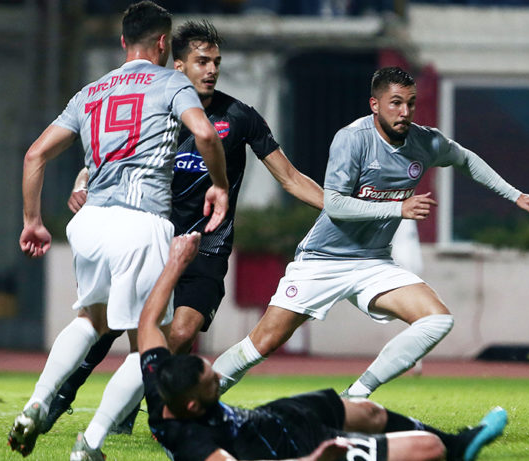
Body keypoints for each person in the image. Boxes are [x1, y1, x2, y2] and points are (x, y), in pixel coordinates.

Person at [41, 19, 323, 435]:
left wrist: (339, 206)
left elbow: (291, 178)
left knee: (182, 331)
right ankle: (63, 394)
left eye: (216, 62)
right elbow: (106, 158)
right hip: (152, 237)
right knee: (109, 324)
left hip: (207, 246)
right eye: (202, 61)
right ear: (178, 66)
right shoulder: (157, 109)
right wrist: (82, 182)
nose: (211, 70)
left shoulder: (239, 116)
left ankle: (129, 406)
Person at [212, 66, 529, 398]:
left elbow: (465, 159)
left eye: (411, 103)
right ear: (375, 105)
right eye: (396, 103)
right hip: (322, 260)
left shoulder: (424, 142)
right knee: (262, 344)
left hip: (373, 262)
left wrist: (515, 194)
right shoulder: (352, 139)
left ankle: (355, 396)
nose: (405, 112)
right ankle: (199, 396)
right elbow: (335, 205)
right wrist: (398, 208)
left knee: (437, 320)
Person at [8, 2, 230, 459]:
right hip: (140, 221)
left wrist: (33, 221)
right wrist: (221, 186)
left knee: (91, 320)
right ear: (165, 43)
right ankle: (91, 442)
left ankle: (36, 405)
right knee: (152, 340)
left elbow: (35, 155)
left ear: (124, 41)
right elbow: (206, 135)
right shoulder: (171, 82)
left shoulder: (90, 91)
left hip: (90, 222)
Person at [140, 232, 508, 461]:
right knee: (428, 450)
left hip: (277, 417)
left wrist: (175, 263)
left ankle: (460, 445)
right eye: (212, 384)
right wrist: (314, 459)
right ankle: (449, 449)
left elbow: (147, 325)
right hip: (294, 448)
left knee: (368, 411)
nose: (218, 380)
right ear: (192, 406)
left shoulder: (163, 385)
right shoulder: (193, 444)